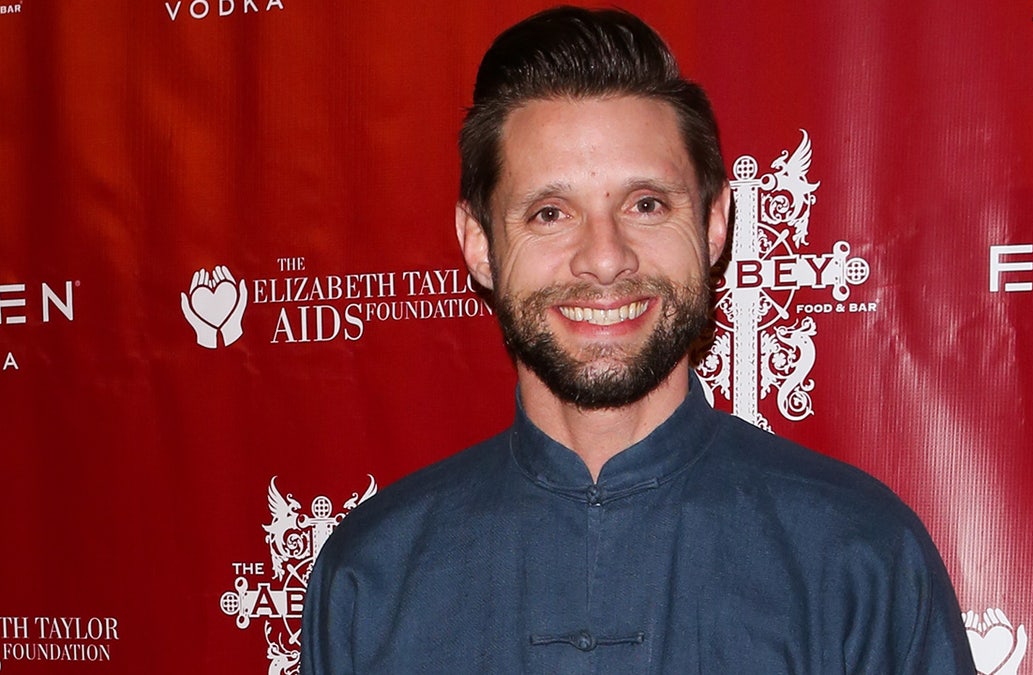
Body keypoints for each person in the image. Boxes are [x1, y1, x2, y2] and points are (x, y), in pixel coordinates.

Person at [301, 6, 975, 673]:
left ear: (715, 223)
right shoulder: (371, 577)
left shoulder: (859, 558)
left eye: (646, 205)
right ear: (480, 245)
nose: (604, 258)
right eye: (550, 213)